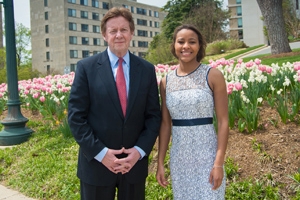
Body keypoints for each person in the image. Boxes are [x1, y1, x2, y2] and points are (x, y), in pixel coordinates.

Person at [68, 7, 161, 200]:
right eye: (113, 31)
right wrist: (101, 154)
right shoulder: (86, 68)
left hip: (133, 167)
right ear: (104, 35)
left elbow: (153, 117)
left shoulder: (146, 69)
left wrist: (139, 151)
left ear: (132, 33)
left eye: (124, 30)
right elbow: (76, 118)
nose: (119, 35)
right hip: (96, 167)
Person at [156, 24, 229, 199]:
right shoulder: (166, 82)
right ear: (174, 46)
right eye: (181, 42)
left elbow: (223, 121)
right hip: (180, 159)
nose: (186, 46)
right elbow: (166, 125)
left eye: (192, 42)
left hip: (208, 157)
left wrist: (218, 163)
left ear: (199, 46)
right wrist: (160, 162)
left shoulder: (213, 75)